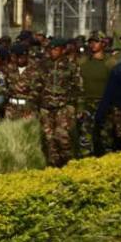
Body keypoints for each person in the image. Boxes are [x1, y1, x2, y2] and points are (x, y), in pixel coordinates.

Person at [38, 39, 83, 167]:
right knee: (48, 138)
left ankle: (69, 164)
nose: (53, 52)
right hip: (46, 107)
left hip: (63, 107)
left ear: (63, 50)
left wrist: (78, 108)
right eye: (51, 49)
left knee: (62, 137)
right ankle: (53, 165)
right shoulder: (44, 65)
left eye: (56, 49)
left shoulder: (71, 65)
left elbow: (78, 88)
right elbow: (37, 85)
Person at [77, 32, 114, 157]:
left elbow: (114, 85)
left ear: (103, 44)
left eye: (96, 42)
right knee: (85, 137)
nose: (92, 44)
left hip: (104, 104)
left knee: (106, 136)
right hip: (87, 103)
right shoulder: (83, 62)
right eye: (91, 42)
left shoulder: (110, 63)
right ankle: (85, 163)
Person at [3, 44, 40, 120]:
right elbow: (4, 86)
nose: (20, 60)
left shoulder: (35, 69)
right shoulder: (9, 69)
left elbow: (38, 89)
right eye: (18, 57)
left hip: (28, 107)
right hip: (11, 107)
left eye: (22, 57)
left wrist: (30, 103)